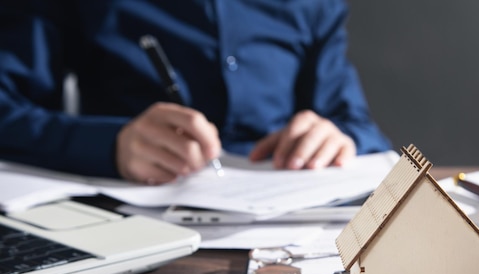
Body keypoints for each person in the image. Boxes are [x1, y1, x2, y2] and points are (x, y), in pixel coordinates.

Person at [0, 0, 391, 184]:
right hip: (132, 226)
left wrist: (339, 138)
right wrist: (110, 145)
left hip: (289, 231)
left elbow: (356, 125)